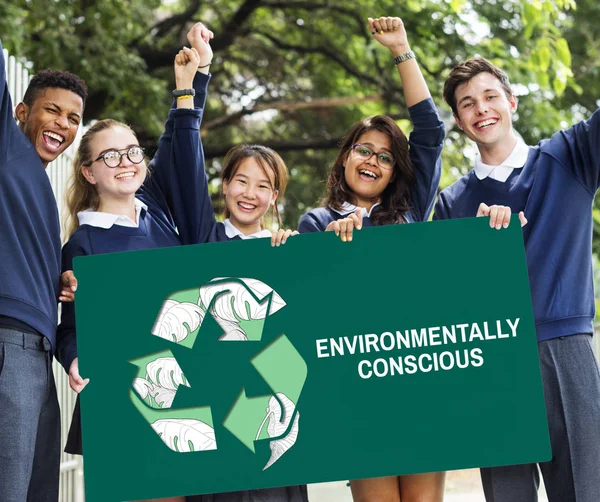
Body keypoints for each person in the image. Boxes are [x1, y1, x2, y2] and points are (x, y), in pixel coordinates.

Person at [434, 56, 600, 502]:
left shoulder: (569, 156)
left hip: (565, 350)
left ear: (512, 101)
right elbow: (447, 295)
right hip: (493, 358)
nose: (481, 108)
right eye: (467, 103)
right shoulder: (452, 203)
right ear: (458, 120)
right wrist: (479, 249)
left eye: (490, 96)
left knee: (585, 492)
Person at [298, 16, 446, 502]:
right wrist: (332, 250)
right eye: (364, 149)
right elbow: (310, 307)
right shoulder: (315, 224)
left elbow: (429, 131)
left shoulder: (410, 213)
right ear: (344, 157)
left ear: (393, 173)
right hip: (359, 393)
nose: (372, 161)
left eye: (385, 157)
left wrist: (402, 50)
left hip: (419, 386)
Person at [0, 37, 86, 501]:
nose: (63, 124)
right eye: (52, 110)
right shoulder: (6, 148)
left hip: (40, 356)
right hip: (7, 345)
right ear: (19, 112)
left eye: (73, 118)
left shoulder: (40, 189)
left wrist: (55, 281)